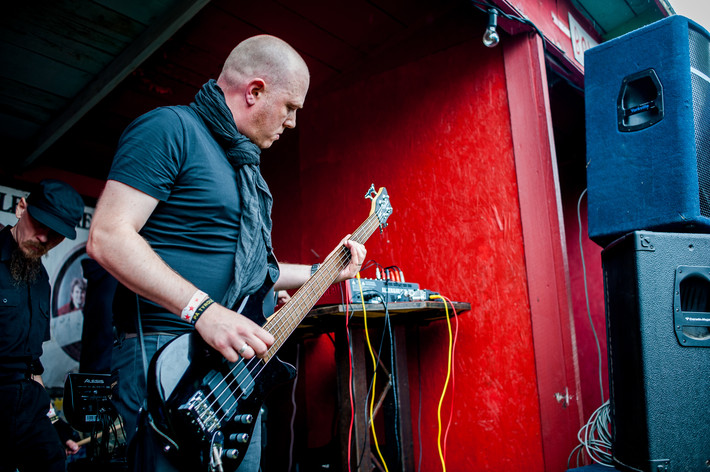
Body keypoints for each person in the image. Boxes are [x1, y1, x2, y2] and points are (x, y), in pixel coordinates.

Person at [87, 34, 366, 471]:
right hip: (168, 356)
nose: (291, 123)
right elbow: (107, 236)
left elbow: (252, 272)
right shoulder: (170, 129)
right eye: (289, 107)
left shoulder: (244, 166)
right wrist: (204, 311)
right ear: (254, 91)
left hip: (229, 369)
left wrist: (325, 271)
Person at [0, 179, 83, 471]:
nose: (45, 238)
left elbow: (32, 366)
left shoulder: (41, 280)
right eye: (40, 224)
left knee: (52, 460)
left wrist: (52, 421)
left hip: (28, 403)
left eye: (56, 234)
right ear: (21, 207)